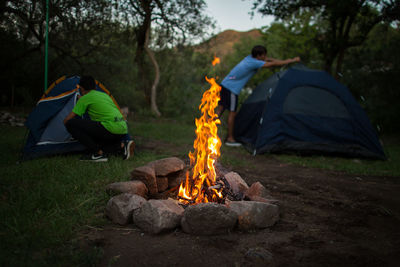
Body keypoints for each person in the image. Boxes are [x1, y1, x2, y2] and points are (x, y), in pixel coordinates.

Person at [217, 45, 300, 147]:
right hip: (232, 89)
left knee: (221, 109)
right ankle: (230, 139)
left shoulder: (249, 58)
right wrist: (291, 61)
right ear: (259, 56)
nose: (266, 57)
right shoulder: (254, 63)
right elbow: (273, 64)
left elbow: (270, 60)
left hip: (225, 84)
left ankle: (207, 129)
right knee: (232, 113)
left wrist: (286, 60)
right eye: (264, 55)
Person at [63, 75, 134, 162]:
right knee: (98, 140)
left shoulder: (85, 99)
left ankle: (97, 154)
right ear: (95, 87)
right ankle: (121, 146)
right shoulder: (104, 95)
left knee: (70, 123)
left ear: (81, 88)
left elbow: (67, 120)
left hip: (109, 127)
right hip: (122, 128)